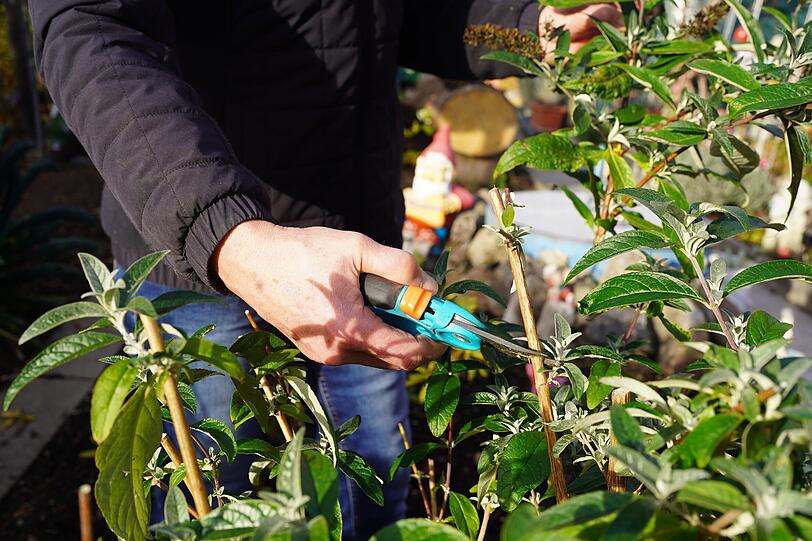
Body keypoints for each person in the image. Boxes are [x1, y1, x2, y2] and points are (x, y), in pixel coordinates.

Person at [28, 2, 622, 538]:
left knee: (376, 481)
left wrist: (527, 28)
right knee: (211, 489)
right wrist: (230, 236)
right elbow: (89, 27)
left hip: (361, 247)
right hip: (200, 255)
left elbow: (404, 16)